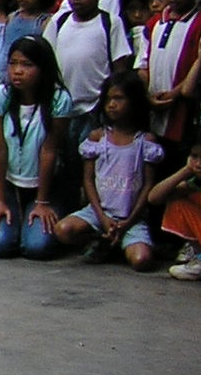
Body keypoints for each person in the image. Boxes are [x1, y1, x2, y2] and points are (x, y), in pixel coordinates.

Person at [54, 69, 163, 268]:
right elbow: (88, 180)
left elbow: (148, 185)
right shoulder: (98, 138)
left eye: (119, 99)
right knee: (63, 230)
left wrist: (129, 221)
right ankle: (100, 237)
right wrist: (102, 218)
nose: (112, 105)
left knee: (142, 260)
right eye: (108, 99)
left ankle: (119, 243)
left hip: (131, 216)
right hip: (99, 213)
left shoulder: (145, 142)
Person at [0, 35, 70, 260]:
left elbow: (50, 150)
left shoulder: (58, 99)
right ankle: (12, 217)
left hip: (44, 185)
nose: (17, 71)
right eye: (13, 63)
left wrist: (42, 201)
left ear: (42, 69)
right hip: (9, 183)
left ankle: (33, 216)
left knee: (37, 248)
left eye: (26, 65)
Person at [44, 0, 133, 144]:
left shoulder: (110, 23)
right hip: (61, 108)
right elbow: (45, 63)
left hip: (96, 109)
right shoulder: (59, 23)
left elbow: (120, 69)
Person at [138, 0, 201, 157]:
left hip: (186, 118)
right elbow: (143, 65)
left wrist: (174, 93)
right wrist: (147, 95)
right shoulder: (153, 24)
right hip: (152, 115)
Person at [154, 124, 201, 278]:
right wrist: (186, 170)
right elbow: (154, 197)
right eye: (194, 156)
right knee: (176, 202)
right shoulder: (196, 180)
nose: (199, 164)